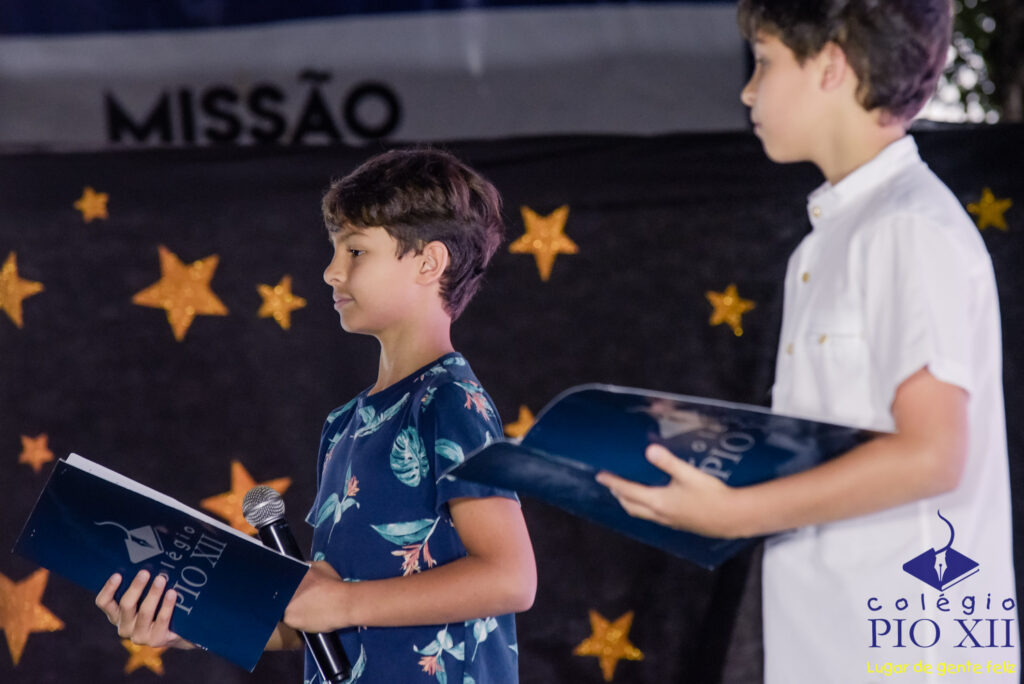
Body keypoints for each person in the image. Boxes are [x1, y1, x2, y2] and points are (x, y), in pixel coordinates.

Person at [597, 1, 1019, 682]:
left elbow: (933, 455)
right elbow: (840, 438)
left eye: (764, 61)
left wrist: (735, 514)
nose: (748, 90)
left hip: (910, 656)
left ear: (830, 65)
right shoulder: (834, 237)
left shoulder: (905, 227)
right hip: (834, 640)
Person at [96, 148, 537, 684]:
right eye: (335, 251)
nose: (331, 272)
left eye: (356, 251)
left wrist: (343, 602)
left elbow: (510, 578)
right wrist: (189, 625)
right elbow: (316, 612)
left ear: (429, 262)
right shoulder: (344, 424)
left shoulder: (447, 400)